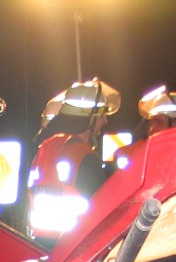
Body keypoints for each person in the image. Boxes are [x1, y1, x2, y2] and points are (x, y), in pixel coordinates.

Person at [25, 78, 121, 243]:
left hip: (40, 243)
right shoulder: (84, 156)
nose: (105, 121)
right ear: (89, 117)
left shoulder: (45, 147)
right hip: (75, 246)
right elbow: (101, 212)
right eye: (101, 115)